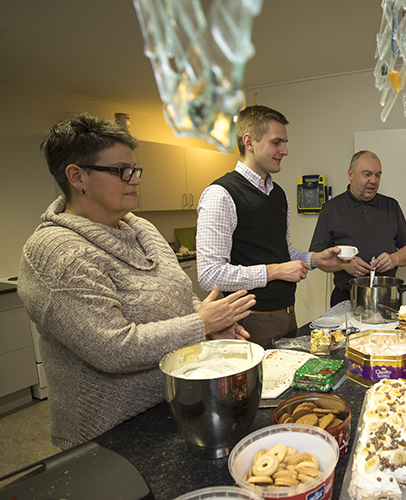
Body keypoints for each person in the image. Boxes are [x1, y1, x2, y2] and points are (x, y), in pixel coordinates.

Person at [17, 113, 255, 450]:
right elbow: (112, 348)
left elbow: (176, 296)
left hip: (171, 408)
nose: (135, 179)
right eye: (120, 171)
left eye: (135, 169)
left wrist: (209, 321)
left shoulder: (139, 227)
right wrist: (200, 324)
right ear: (76, 176)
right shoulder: (56, 253)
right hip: (109, 435)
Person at [196, 105, 341, 347]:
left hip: (287, 315)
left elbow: (282, 252)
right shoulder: (221, 194)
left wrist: (316, 260)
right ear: (249, 142)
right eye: (277, 143)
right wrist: (275, 272)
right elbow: (210, 275)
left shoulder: (278, 194)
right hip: (248, 322)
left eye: (284, 142)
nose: (285, 151)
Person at [308, 150, 406, 306]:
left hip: (387, 298)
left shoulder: (392, 205)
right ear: (350, 174)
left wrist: (394, 259)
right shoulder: (331, 209)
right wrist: (344, 265)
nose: (373, 180)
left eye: (378, 175)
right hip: (346, 298)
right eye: (367, 174)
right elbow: (316, 258)